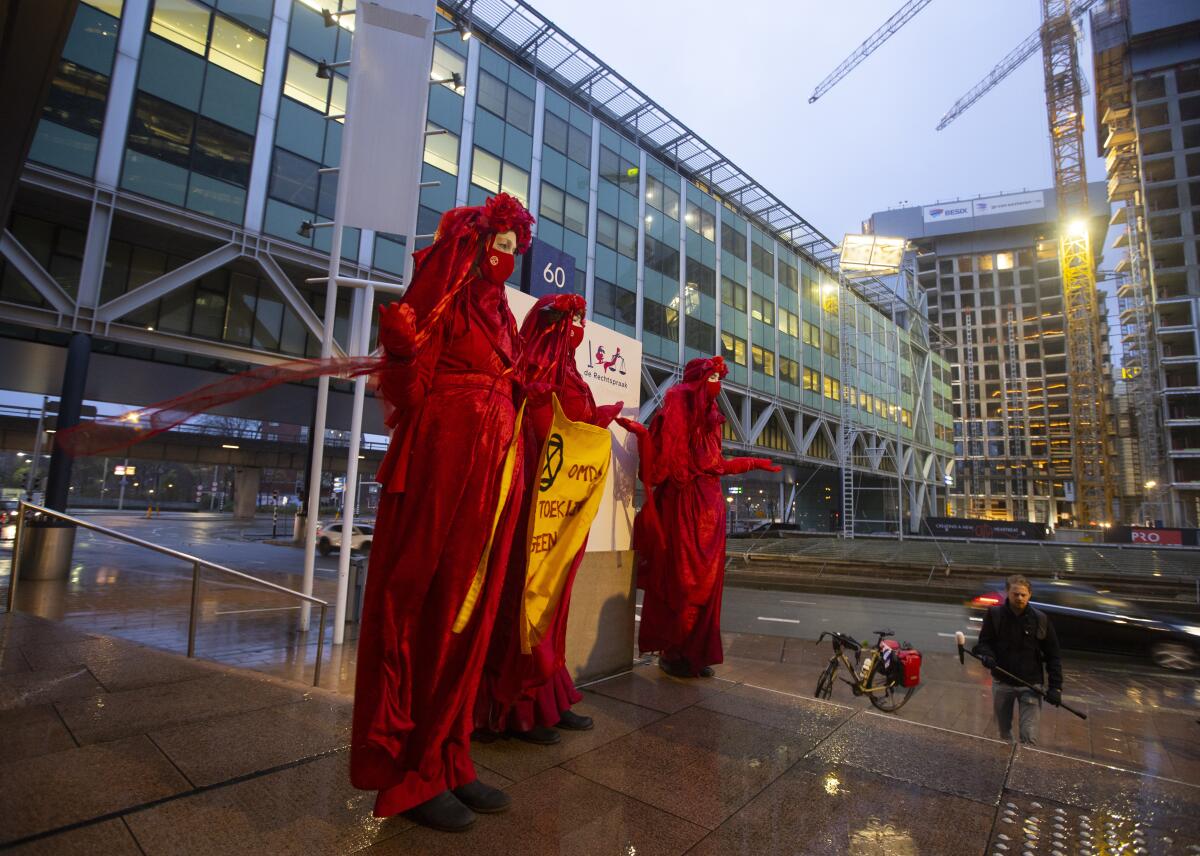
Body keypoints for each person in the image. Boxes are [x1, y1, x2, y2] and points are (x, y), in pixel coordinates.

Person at [349, 194, 535, 832]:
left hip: (491, 478)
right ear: (473, 243)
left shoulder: (502, 316)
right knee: (428, 609)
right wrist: (400, 351)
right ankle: (411, 773)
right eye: (497, 246)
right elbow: (406, 392)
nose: (505, 259)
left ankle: (450, 756)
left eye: (514, 249)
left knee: (472, 615)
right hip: (444, 471)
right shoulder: (448, 295)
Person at [475, 293, 622, 745]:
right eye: (572, 318)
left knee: (552, 605)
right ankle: (518, 707)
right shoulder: (532, 372)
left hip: (564, 512)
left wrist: (598, 419)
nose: (578, 327)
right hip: (534, 511)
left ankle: (546, 697)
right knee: (528, 602)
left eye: (582, 318)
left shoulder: (571, 373)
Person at [618, 355, 780, 678]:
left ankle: (693, 652)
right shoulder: (675, 411)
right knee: (681, 585)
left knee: (706, 589)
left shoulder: (710, 423)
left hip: (710, 514)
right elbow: (657, 471)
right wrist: (645, 438)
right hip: (685, 512)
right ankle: (673, 649)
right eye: (709, 379)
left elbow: (718, 465)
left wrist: (756, 463)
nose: (715, 386)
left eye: (718, 379)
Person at [973, 574, 1063, 746]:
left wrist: (1055, 688)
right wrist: (988, 656)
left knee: (1028, 736)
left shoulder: (1040, 619)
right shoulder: (995, 615)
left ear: (1030, 594)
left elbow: (1053, 655)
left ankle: (1023, 769)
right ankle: (1006, 766)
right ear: (1007, 593)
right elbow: (984, 643)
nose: (1019, 598)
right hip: (1002, 683)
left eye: (1023, 594)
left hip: (1031, 685)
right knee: (1003, 732)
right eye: (1015, 594)